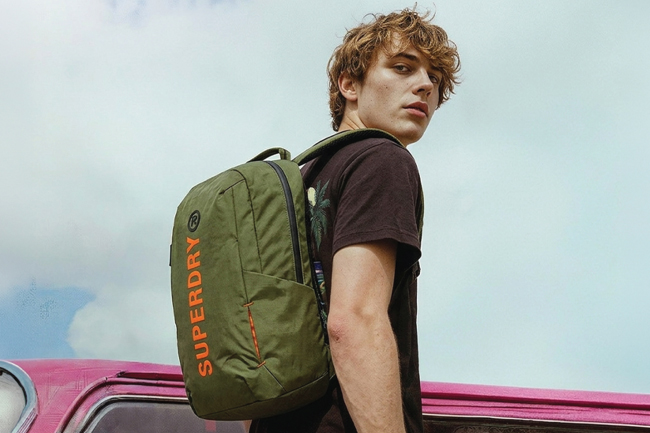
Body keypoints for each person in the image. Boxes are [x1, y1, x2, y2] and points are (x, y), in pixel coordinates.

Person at [250, 7, 460, 433]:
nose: (425, 85)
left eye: (435, 78)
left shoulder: (298, 181)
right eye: (402, 68)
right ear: (349, 85)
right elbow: (354, 321)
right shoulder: (382, 160)